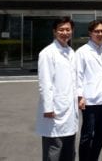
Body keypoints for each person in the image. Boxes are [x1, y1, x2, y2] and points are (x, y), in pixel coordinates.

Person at [76, 20, 102, 161]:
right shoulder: (82, 52)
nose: (100, 34)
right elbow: (78, 75)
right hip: (89, 99)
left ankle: (94, 158)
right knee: (87, 134)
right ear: (90, 33)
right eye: (97, 31)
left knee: (101, 133)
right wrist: (80, 96)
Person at [36, 17, 78, 161]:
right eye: (61, 29)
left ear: (72, 31)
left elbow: (74, 80)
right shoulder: (47, 53)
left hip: (69, 109)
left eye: (68, 29)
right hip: (54, 110)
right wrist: (48, 108)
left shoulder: (71, 52)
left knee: (69, 150)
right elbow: (45, 83)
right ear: (54, 32)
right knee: (54, 150)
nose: (65, 32)